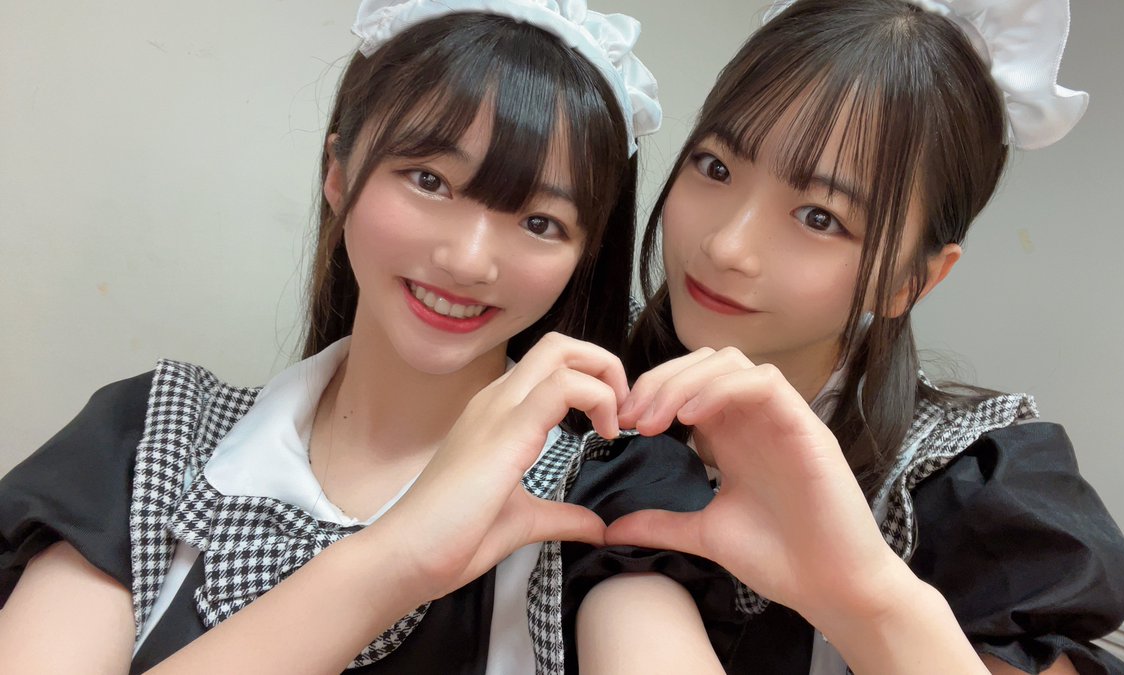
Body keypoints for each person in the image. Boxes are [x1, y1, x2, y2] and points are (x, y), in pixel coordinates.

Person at [0, 1, 668, 672]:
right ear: (339, 173)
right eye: (430, 180)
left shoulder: (605, 496)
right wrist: (395, 560)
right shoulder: (152, 440)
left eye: (540, 222)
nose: (469, 261)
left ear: (585, 251)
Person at [574, 1, 1124, 674]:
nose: (727, 246)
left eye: (820, 217)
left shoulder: (971, 488)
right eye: (716, 166)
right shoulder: (582, 380)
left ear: (911, 280)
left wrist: (865, 598)